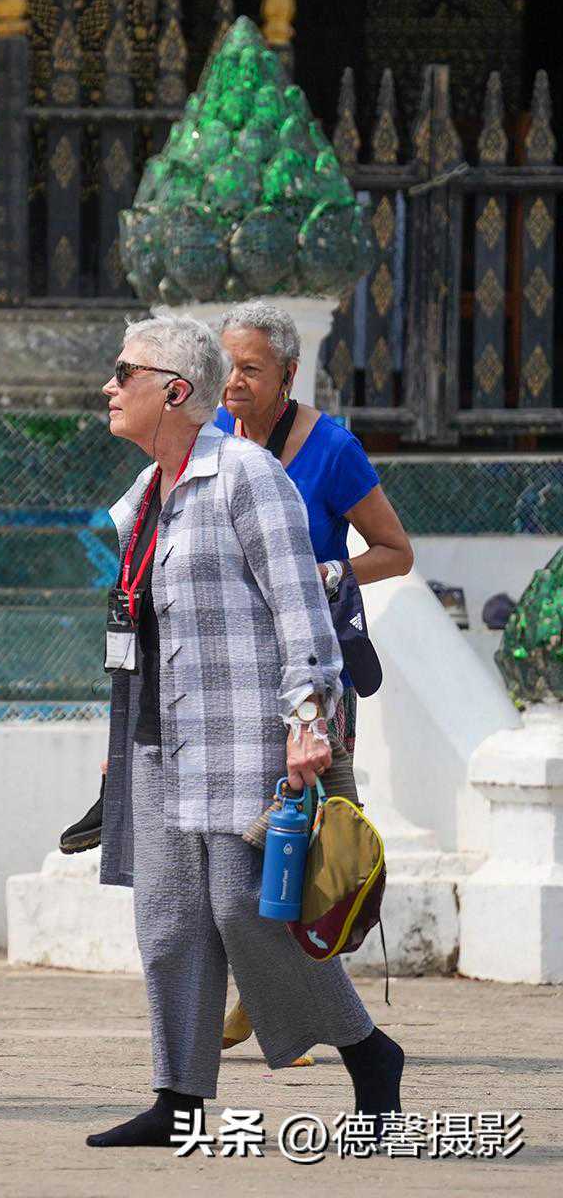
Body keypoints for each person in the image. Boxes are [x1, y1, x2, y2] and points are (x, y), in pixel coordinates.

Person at [86, 314, 403, 1148]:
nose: (110, 388)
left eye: (125, 373)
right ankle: (179, 1099)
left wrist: (309, 723)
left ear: (174, 391)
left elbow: (301, 609)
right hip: (158, 736)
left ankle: (369, 1052)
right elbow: (139, 627)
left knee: (246, 910)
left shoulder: (246, 476)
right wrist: (117, 752)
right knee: (168, 922)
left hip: (244, 737)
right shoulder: (146, 495)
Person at [211, 299, 414, 1051]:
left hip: (311, 676)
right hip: (231, 671)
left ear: (288, 374)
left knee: (308, 836)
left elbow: (396, 551)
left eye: (251, 369)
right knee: (237, 835)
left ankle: (284, 998)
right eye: (226, 366)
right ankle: (268, 991)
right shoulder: (210, 437)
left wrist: (328, 572)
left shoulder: (331, 448)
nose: (233, 382)